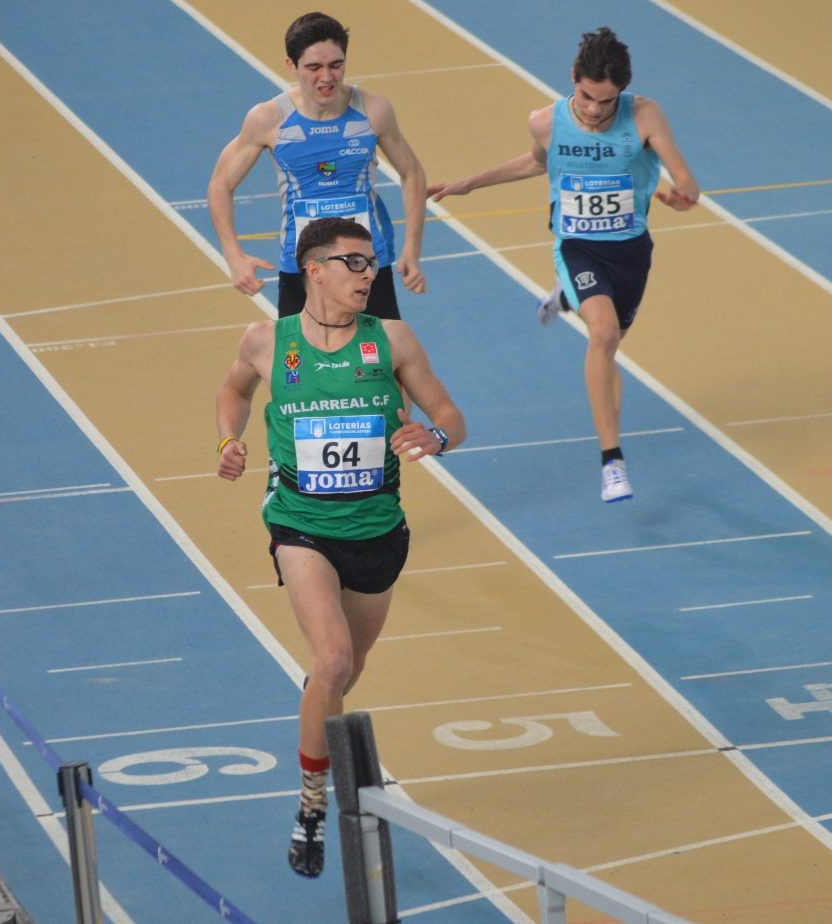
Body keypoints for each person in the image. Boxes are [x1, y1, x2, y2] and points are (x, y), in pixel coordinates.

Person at [215, 217, 465, 878]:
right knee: (331, 660)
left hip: (377, 530)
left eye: (371, 263)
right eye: (354, 263)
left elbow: (450, 416)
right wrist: (229, 439)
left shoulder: (394, 341)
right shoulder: (268, 340)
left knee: (343, 674)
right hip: (300, 523)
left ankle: (318, 707)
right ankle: (310, 810)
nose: (368, 276)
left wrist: (433, 440)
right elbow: (234, 389)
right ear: (314, 268)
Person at [428, 27, 699, 503]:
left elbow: (687, 181)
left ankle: (564, 295)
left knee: (610, 347)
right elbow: (536, 163)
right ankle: (612, 462)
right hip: (577, 245)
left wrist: (682, 196)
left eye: (607, 101)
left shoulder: (645, 115)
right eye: (587, 97)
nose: (595, 110)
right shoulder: (546, 121)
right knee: (604, 334)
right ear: (574, 78)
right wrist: (470, 183)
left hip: (631, 251)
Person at [208, 11, 428, 319]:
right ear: (291, 65)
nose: (327, 78)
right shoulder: (269, 119)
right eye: (314, 67)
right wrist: (234, 257)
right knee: (298, 368)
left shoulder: (373, 111)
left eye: (336, 65)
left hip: (367, 266)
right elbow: (221, 184)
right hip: (302, 269)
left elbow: (412, 173)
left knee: (381, 365)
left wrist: (412, 251)